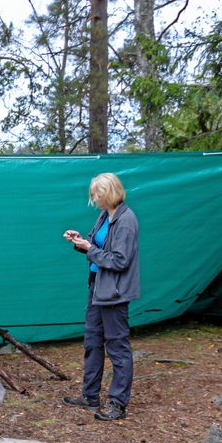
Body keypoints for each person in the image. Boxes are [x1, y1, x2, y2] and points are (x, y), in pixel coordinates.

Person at [62, 172, 140, 421]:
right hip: (97, 286)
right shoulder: (105, 215)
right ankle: (90, 395)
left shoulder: (126, 220)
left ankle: (117, 403)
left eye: (97, 194)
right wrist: (80, 242)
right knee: (92, 341)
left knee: (117, 347)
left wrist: (90, 249)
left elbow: (119, 260)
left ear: (110, 192)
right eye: (93, 195)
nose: (94, 199)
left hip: (114, 292)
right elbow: (99, 249)